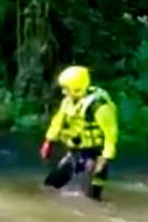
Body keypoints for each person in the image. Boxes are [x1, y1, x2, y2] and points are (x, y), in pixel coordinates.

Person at [40, 65, 119, 201]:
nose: (64, 92)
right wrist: (48, 141)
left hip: (96, 154)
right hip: (76, 151)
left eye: (66, 88)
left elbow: (111, 134)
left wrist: (105, 159)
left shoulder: (99, 107)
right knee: (50, 186)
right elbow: (57, 122)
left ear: (77, 88)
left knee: (91, 198)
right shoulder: (68, 101)